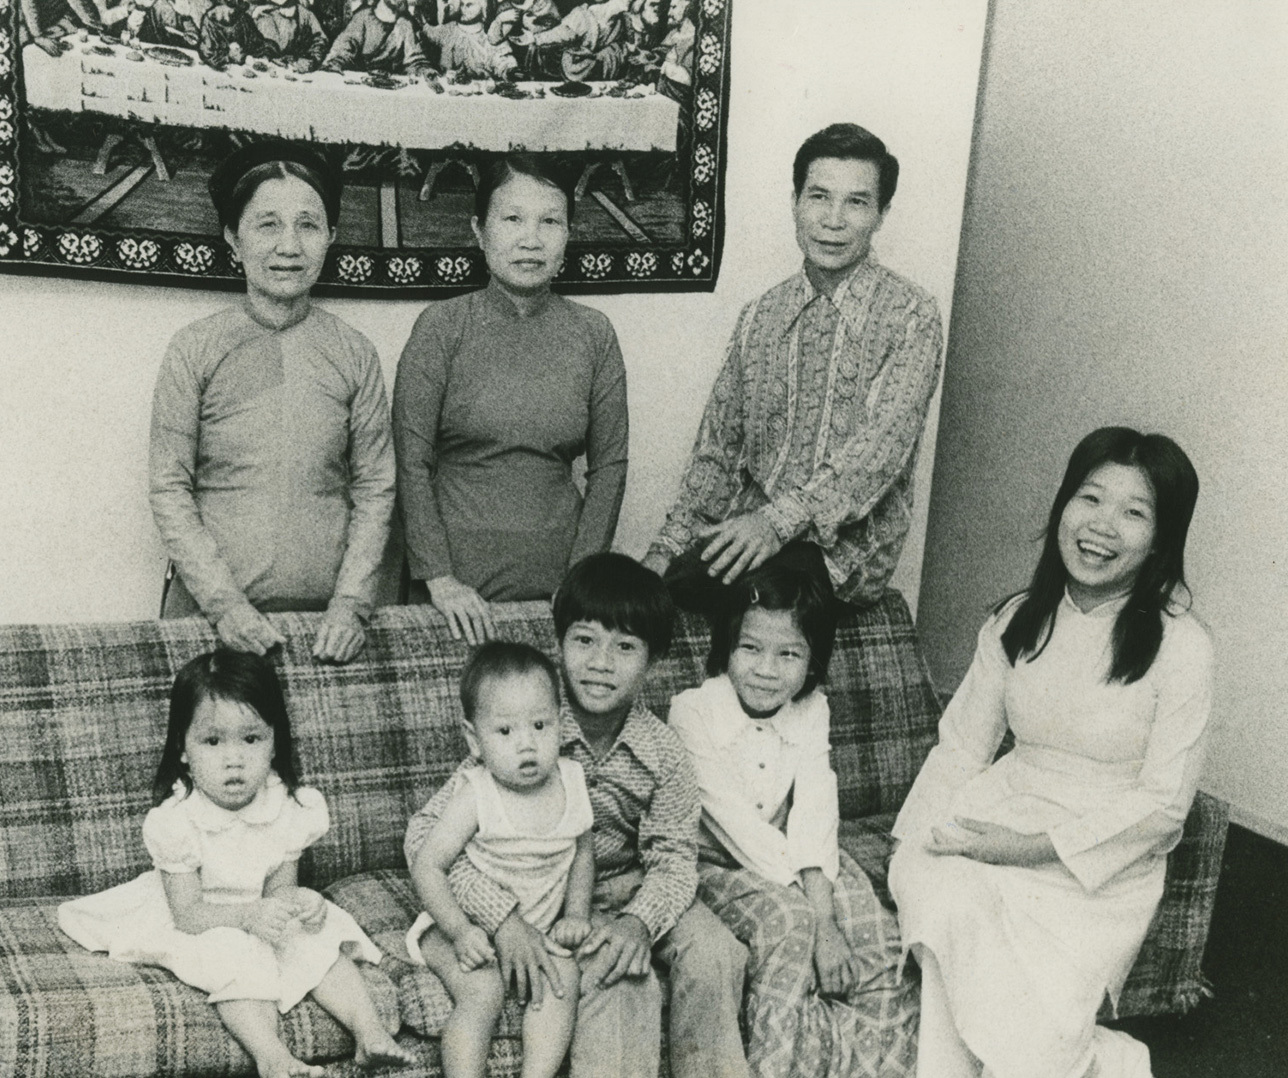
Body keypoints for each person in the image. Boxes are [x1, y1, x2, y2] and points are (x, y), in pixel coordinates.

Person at [887, 427, 1213, 1078]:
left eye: (1134, 512)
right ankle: (1090, 1061)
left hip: (1097, 866)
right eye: (1089, 498)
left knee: (1030, 1038)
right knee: (936, 889)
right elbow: (962, 747)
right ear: (1063, 504)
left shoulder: (1183, 646)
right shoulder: (1015, 619)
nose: (1101, 526)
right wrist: (909, 839)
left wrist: (1028, 849)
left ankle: (1098, 1060)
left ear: (1161, 538)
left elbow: (1163, 807)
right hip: (999, 818)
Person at [406, 553, 752, 1078]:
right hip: (560, 897)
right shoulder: (526, 726)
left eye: (626, 647)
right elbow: (424, 837)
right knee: (623, 980)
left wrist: (640, 920)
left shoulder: (664, 753)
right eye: (585, 640)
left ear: (654, 660)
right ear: (560, 641)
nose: (601, 662)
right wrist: (502, 918)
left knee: (717, 952)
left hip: (636, 886)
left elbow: (676, 858)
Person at [57, 650, 414, 1078]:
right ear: (183, 749)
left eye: (251, 739)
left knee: (316, 941)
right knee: (237, 958)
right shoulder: (178, 822)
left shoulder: (287, 807)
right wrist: (249, 917)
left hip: (258, 912)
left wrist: (299, 902)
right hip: (202, 917)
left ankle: (369, 1032)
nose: (234, 759)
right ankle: (272, 1055)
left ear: (274, 742)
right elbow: (187, 915)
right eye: (212, 741)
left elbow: (279, 889)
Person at [643, 123, 944, 617]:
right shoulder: (760, 315)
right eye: (819, 197)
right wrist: (667, 548)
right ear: (795, 202)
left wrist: (776, 523)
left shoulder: (911, 314)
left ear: (881, 215)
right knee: (656, 597)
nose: (833, 221)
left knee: (762, 599)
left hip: (846, 555)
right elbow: (719, 451)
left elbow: (879, 451)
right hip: (755, 534)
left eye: (857, 202)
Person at [149, 140, 396, 665]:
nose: (289, 246)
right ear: (233, 238)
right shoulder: (194, 349)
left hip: (328, 629)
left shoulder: (354, 353)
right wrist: (225, 607)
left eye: (308, 225)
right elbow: (169, 487)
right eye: (267, 225)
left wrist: (351, 606)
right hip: (210, 622)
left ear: (331, 237)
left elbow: (376, 488)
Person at [669, 561, 919, 1078]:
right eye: (750, 648)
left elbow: (816, 807)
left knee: (877, 934)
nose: (766, 669)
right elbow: (735, 828)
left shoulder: (812, 708)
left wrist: (828, 914)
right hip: (717, 864)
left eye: (789, 654)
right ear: (727, 646)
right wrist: (817, 918)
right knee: (791, 923)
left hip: (799, 855)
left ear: (812, 660)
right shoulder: (692, 711)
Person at [393, 156, 629, 644]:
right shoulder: (441, 327)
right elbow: (409, 461)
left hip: (560, 591)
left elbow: (610, 467)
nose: (531, 239)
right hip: (452, 596)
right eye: (513, 219)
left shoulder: (594, 334)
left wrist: (580, 582)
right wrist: (439, 577)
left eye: (550, 222)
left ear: (569, 234)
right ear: (479, 231)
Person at [405, 642, 595, 1078]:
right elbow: (429, 865)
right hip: (456, 927)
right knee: (483, 990)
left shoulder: (572, 780)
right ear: (475, 740)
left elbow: (582, 852)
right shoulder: (476, 793)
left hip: (540, 929)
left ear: (561, 724)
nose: (527, 744)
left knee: (561, 980)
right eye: (505, 731)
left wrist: (577, 913)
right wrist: (459, 930)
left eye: (540, 725)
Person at [321, 0, 432, 76]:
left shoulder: (405, 25)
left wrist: (425, 71)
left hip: (393, 89)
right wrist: (335, 64)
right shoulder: (363, 18)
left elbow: (415, 61)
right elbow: (341, 50)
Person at [419, 0, 519, 80]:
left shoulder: (490, 34)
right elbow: (429, 33)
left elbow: (502, 60)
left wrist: (508, 70)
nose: (463, 9)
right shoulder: (449, 28)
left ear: (483, 6)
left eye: (469, 5)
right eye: (462, 4)